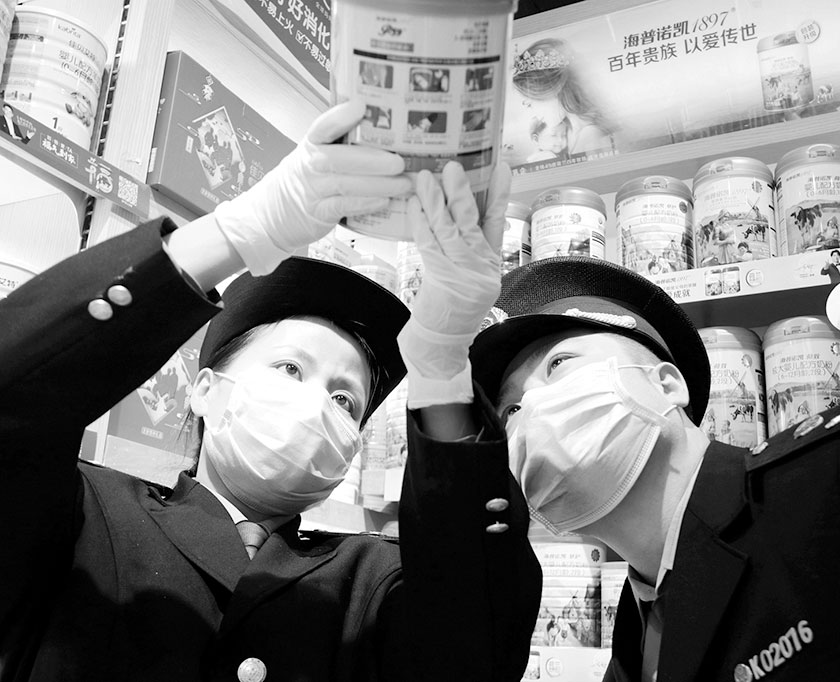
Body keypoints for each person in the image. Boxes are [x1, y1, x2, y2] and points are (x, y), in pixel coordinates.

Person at [0, 96, 540, 681]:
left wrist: (441, 361)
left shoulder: (373, 580)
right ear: (205, 391)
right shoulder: (85, 514)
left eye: (345, 400)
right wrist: (237, 231)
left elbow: (476, 629)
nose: (316, 404)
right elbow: (16, 397)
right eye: (289, 368)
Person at [467, 255, 840, 681]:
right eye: (509, 410)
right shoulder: (635, 628)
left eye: (559, 364)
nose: (533, 411)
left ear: (667, 384)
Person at [512, 37, 615, 158]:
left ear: (553, 91)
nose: (533, 112)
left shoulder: (590, 136)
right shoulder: (568, 134)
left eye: (530, 103)